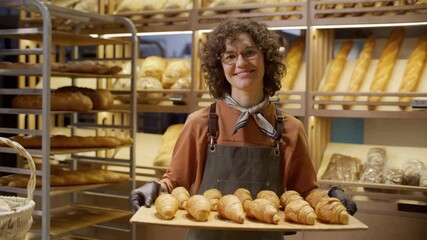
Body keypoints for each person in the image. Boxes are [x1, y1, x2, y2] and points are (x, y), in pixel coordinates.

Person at [130, 18, 357, 240]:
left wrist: (330, 197)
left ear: (266, 59)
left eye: (249, 53)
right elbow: (175, 184)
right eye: (230, 56)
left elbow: (304, 193)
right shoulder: (200, 123)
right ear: (220, 67)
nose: (240, 63)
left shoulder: (290, 128)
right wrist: (154, 188)